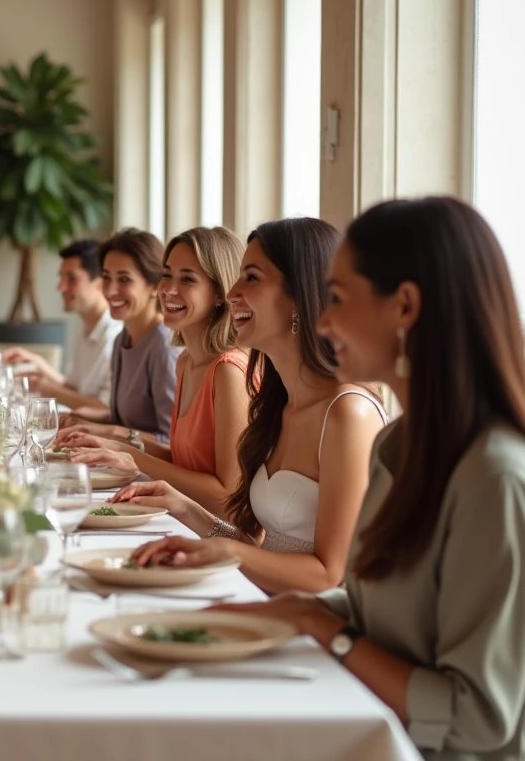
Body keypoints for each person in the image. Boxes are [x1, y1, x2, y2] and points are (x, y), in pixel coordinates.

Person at [214, 197, 525, 759]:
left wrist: (321, 625)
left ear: (404, 307)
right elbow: (370, 611)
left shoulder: (495, 478)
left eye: (336, 298)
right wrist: (285, 614)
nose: (323, 320)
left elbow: (479, 722)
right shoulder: (396, 447)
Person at [95, 218, 387, 594]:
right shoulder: (277, 404)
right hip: (266, 601)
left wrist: (220, 549)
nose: (231, 293)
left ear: (300, 294)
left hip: (318, 632)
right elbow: (262, 549)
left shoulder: (348, 413)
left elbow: (328, 575)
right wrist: (187, 510)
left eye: (251, 277)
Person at [57, 227, 249, 516]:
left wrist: (129, 453)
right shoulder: (186, 361)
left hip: (215, 534)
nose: (168, 289)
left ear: (220, 292)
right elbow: (182, 460)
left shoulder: (228, 372)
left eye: (187, 279)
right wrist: (112, 440)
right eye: (167, 275)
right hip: (179, 515)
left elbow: (226, 496)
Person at [54, 229, 179, 443]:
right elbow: (122, 418)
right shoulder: (123, 338)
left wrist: (108, 432)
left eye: (124, 279)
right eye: (106, 278)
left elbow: (170, 440)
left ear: (155, 287)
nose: (111, 291)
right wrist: (78, 417)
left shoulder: (163, 346)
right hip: (119, 465)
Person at [3, 239, 122, 409]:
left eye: (72, 278)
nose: (60, 287)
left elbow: (104, 408)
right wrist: (39, 363)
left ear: (101, 283)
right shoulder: (86, 327)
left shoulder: (115, 336)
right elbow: (74, 390)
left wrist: (45, 388)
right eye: (61, 277)